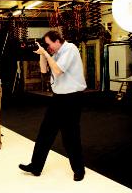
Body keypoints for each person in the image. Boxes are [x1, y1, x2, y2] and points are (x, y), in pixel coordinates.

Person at [19, 30, 87, 181]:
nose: (48, 47)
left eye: (49, 44)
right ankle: (36, 166)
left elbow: (57, 70)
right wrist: (43, 54)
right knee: (45, 132)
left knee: (70, 136)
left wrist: (47, 54)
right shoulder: (55, 53)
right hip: (58, 98)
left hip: (72, 98)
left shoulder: (70, 49)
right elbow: (44, 70)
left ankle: (79, 170)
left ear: (57, 41)